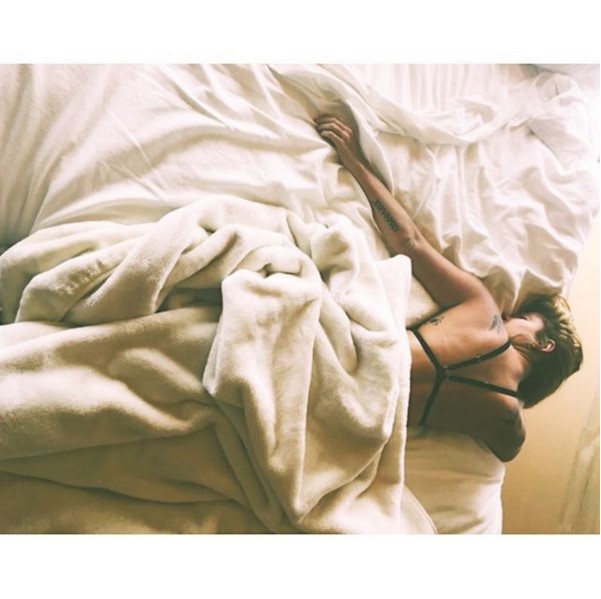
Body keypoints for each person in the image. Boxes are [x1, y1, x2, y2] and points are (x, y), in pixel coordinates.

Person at [315, 114, 583, 462]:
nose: (508, 315)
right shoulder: (508, 425)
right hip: (358, 428)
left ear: (544, 344)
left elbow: (410, 242)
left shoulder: (485, 313)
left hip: (347, 368)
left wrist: (354, 160)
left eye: (525, 318)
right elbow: (507, 453)